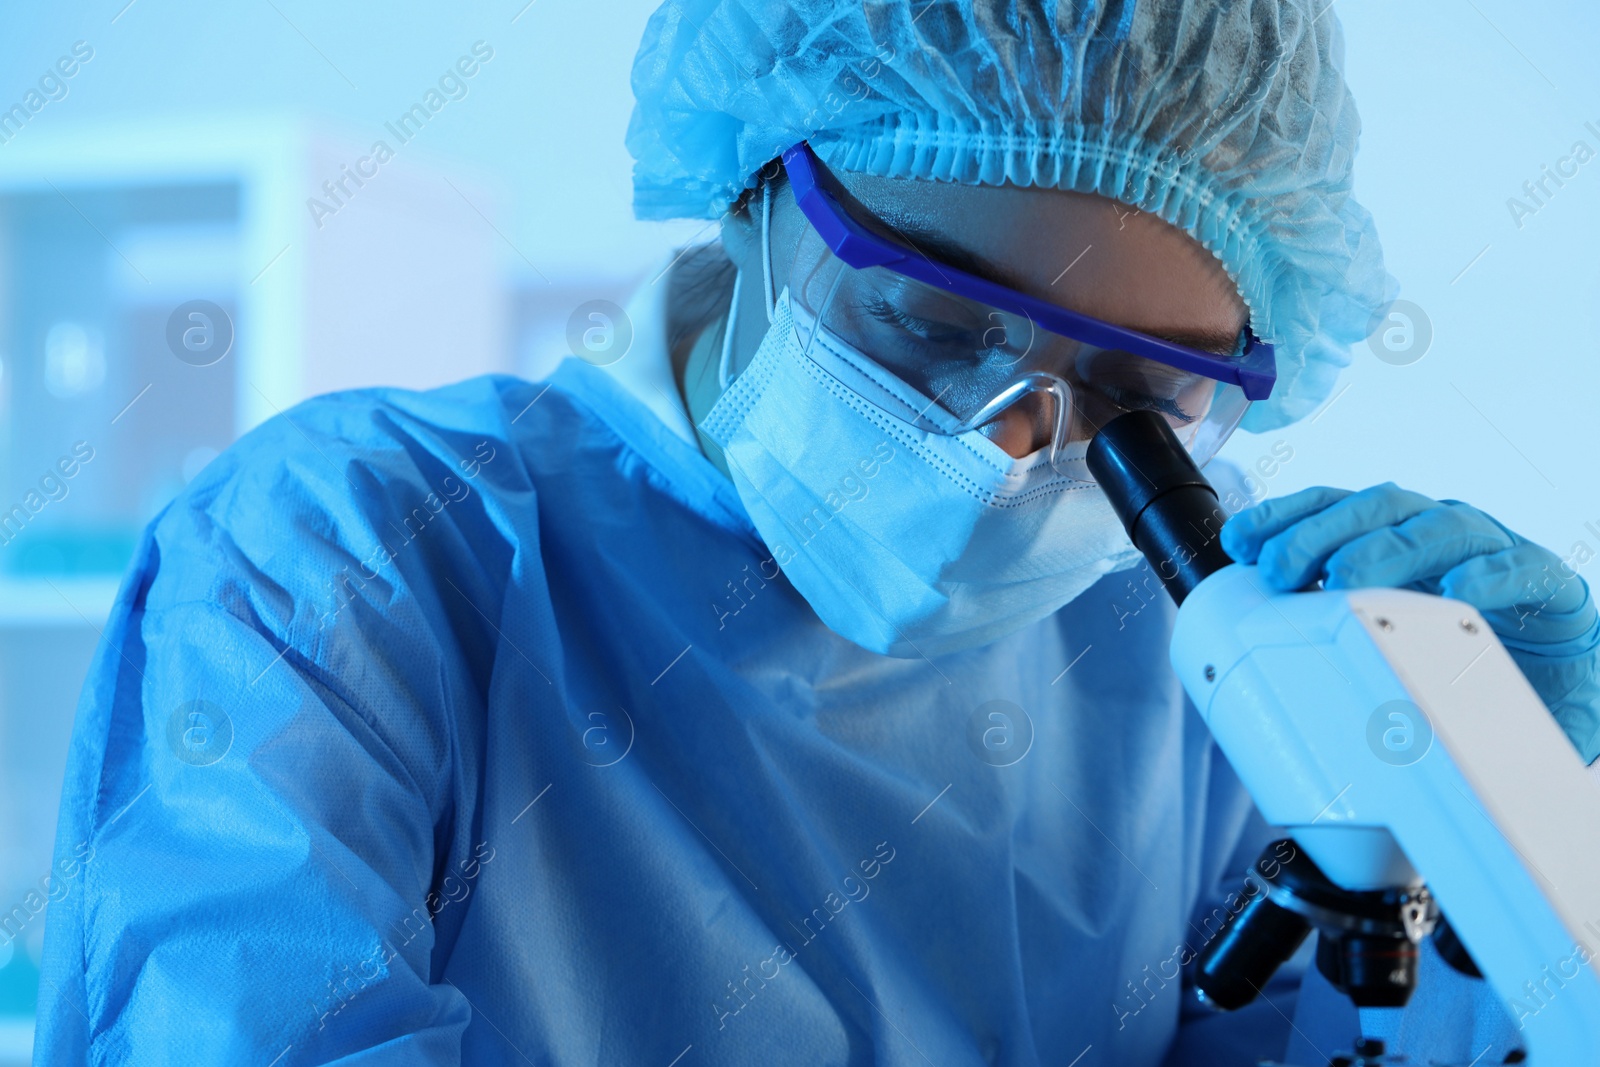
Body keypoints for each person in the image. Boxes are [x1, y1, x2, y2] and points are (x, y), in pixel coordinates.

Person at [34, 0, 1600, 1064]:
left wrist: (1520, 846)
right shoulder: (356, 559)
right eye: (925, 328)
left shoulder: (1199, 635)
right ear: (752, 196)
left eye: (1137, 405)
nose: (1007, 455)